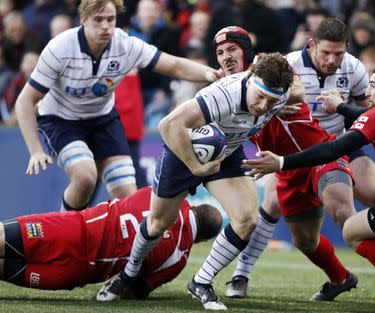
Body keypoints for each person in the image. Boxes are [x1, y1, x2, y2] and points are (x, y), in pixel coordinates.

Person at [97, 52, 299, 310]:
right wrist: (196, 166)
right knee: (159, 223)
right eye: (259, 96)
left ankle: (201, 282)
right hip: (184, 150)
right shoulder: (223, 96)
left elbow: (296, 91)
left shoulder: (279, 95)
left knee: (248, 220)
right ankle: (128, 272)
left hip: (226, 149)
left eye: (271, 100)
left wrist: (289, 99)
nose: (262, 106)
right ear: (249, 78)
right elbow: (168, 125)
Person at [242, 63, 375, 313]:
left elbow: (333, 149)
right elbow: (367, 120)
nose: (368, 92)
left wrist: (281, 161)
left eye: (373, 86)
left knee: (352, 230)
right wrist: (340, 106)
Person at [226, 18, 375, 299]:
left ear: (347, 48)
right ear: (311, 45)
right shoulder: (287, 64)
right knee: (294, 229)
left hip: (338, 144)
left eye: (338, 54)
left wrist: (343, 106)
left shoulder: (353, 68)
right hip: (295, 154)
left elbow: (371, 113)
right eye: (326, 53)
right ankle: (243, 275)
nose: (331, 60)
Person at [15, 0, 221, 212]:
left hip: (103, 119)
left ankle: (123, 244)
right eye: (98, 20)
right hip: (61, 120)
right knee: (85, 177)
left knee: (127, 196)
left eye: (110, 19)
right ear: (83, 20)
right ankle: (66, 233)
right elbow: (25, 101)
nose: (105, 26)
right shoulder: (60, 48)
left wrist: (210, 73)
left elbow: (174, 65)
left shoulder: (126, 45)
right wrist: (35, 151)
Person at [0, 186, 223, 297]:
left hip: (74, 230)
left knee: (2, 237)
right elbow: (133, 292)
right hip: (78, 272)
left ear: (193, 206)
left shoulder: (158, 194)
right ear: (202, 240)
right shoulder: (177, 262)